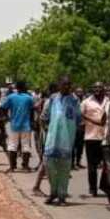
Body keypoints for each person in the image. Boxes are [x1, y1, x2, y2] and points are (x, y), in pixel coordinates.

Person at [41, 77, 80, 206]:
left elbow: (79, 118)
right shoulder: (52, 98)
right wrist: (47, 128)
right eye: (64, 84)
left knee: (64, 169)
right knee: (49, 166)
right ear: (59, 85)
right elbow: (44, 116)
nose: (67, 87)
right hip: (52, 139)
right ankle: (53, 192)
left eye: (69, 84)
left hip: (67, 140)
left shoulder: (75, 100)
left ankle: (62, 196)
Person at [79, 83, 109, 198]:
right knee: (92, 166)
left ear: (103, 89)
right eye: (95, 87)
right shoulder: (86, 102)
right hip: (91, 137)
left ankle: (104, 185)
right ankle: (93, 188)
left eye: (100, 88)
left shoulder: (109, 101)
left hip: (106, 137)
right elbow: (80, 116)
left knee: (108, 164)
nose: (97, 90)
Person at [0, 81, 34, 172]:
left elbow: (2, 108)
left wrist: (6, 117)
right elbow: (32, 111)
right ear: (24, 87)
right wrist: (32, 122)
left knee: (12, 145)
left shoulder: (11, 97)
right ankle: (25, 166)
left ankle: (12, 166)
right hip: (26, 125)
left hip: (14, 124)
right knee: (26, 146)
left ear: (17, 88)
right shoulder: (29, 98)